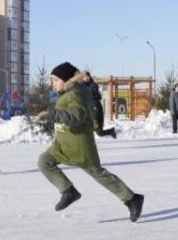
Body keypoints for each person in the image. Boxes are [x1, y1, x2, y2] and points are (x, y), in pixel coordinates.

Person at [37, 62, 144, 221]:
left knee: (100, 174)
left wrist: (53, 114)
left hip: (80, 146)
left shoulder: (74, 94)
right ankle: (68, 191)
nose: (53, 84)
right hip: (63, 145)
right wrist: (50, 115)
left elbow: (77, 115)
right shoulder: (68, 94)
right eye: (52, 81)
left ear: (66, 80)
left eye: (55, 80)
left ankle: (132, 199)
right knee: (44, 161)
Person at [83, 71, 117, 139]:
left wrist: (95, 120)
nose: (86, 78)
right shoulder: (83, 86)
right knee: (92, 131)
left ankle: (111, 131)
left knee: (100, 133)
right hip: (90, 112)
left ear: (89, 77)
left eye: (87, 76)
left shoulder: (93, 85)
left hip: (97, 112)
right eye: (84, 77)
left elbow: (95, 108)